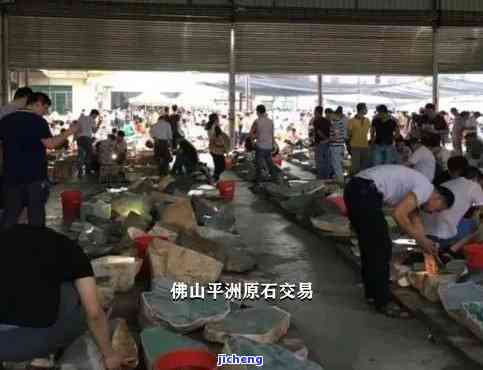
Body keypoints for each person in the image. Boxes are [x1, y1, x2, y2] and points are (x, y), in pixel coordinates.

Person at [0, 225, 131, 369]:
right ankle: (45, 352)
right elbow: (93, 313)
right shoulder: (70, 250)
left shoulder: (6, 237)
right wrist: (110, 355)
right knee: (77, 297)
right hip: (27, 344)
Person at [344, 165, 454, 317]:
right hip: (365, 191)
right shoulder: (425, 189)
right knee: (381, 248)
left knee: (371, 246)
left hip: (357, 188)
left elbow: (416, 222)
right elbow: (399, 214)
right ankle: (382, 301)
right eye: (438, 209)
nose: (433, 212)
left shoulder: (420, 190)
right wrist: (421, 241)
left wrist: (425, 243)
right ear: (438, 197)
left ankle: (372, 294)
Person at [0, 93, 78, 228]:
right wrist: (70, 131)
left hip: (10, 176)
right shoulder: (37, 121)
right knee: (35, 214)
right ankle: (36, 244)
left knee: (11, 213)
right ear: (37, 103)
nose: (46, 112)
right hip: (34, 176)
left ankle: (5, 244)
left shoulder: (6, 120)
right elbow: (50, 144)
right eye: (45, 108)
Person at [422, 167, 483, 259]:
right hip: (444, 236)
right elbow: (481, 208)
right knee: (476, 226)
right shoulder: (474, 185)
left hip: (424, 233)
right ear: (476, 178)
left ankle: (449, 252)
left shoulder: (445, 184)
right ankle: (453, 252)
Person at [250, 105, 280, 185]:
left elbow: (251, 133)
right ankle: (275, 179)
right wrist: (274, 144)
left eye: (257, 112)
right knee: (270, 164)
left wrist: (252, 142)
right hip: (269, 147)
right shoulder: (271, 121)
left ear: (258, 112)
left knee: (259, 165)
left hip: (261, 147)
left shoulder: (257, 121)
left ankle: (258, 182)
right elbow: (271, 134)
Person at [75, 109, 100, 177]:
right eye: (96, 116)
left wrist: (75, 137)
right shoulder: (92, 120)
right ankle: (87, 170)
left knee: (81, 155)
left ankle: (80, 172)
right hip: (86, 138)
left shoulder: (81, 117)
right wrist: (99, 124)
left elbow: (76, 127)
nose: (96, 117)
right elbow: (94, 131)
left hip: (79, 138)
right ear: (94, 114)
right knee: (89, 154)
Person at [347, 103, 371, 175]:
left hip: (365, 146)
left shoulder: (367, 120)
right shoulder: (351, 121)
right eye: (365, 108)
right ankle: (354, 181)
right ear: (361, 109)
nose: (367, 110)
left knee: (364, 166)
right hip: (355, 146)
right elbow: (349, 134)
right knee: (355, 166)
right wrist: (349, 145)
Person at [311, 106, 331, 179]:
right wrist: (327, 139)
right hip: (327, 143)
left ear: (316, 112)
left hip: (320, 143)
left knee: (319, 161)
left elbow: (318, 132)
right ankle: (326, 177)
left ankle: (320, 177)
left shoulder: (316, 121)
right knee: (326, 161)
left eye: (314, 112)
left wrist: (324, 139)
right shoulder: (327, 121)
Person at [329, 108, 347, 183]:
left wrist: (329, 139)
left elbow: (336, 136)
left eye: (330, 116)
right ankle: (339, 180)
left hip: (336, 147)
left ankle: (340, 182)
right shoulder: (340, 122)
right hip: (339, 146)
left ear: (333, 114)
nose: (329, 117)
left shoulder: (336, 123)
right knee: (338, 164)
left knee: (336, 166)